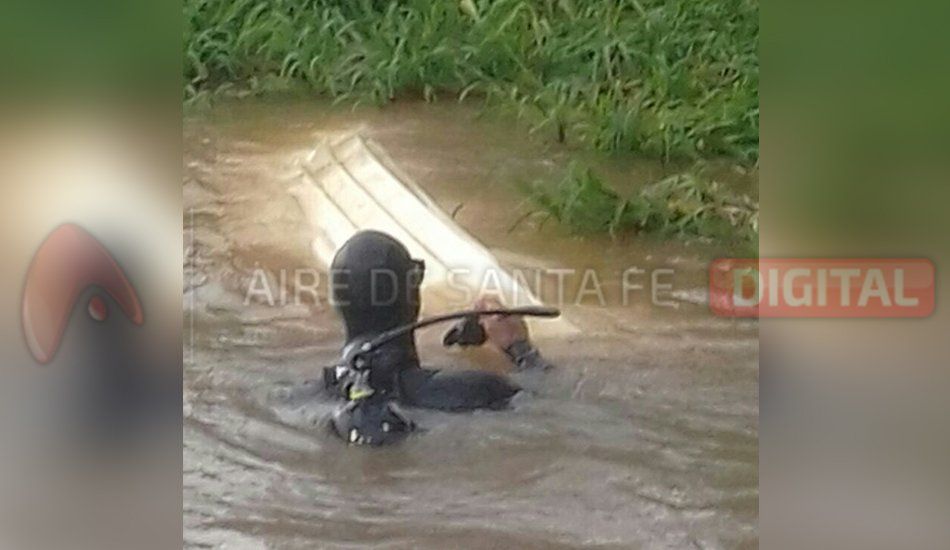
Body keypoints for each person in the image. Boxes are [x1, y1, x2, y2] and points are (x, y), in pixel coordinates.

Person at [325, 230, 552, 445]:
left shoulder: (305, 395)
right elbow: (553, 401)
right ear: (412, 295)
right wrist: (521, 349)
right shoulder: (479, 389)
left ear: (337, 304)